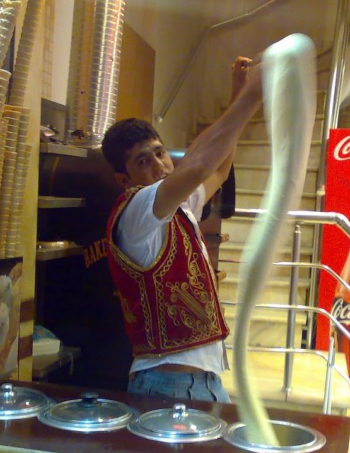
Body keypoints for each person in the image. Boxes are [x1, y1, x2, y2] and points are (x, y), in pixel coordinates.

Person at [101, 56, 262, 402]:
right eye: (144, 161)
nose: (159, 165)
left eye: (160, 153)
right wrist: (252, 96)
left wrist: (238, 92)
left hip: (202, 383)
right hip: (168, 385)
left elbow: (218, 170)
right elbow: (199, 166)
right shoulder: (136, 208)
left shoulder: (180, 206)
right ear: (125, 179)